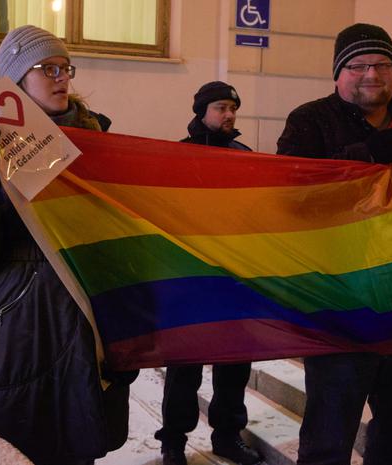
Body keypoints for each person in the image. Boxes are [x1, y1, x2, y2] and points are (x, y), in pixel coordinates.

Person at [277, 23, 392, 465]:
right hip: (339, 311)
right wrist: (361, 158)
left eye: (382, 64)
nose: (371, 74)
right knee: (328, 437)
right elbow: (289, 196)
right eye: (357, 64)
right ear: (338, 73)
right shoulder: (310, 121)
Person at [0, 25, 135, 465]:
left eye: (65, 67)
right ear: (15, 81)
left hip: (81, 318)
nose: (61, 77)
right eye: (46, 68)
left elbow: (114, 243)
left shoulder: (94, 136)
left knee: (78, 445)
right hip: (17, 325)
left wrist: (126, 331)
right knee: (14, 450)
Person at [154, 81, 262, 465]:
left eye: (233, 107)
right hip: (190, 281)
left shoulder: (245, 156)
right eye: (221, 107)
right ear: (202, 111)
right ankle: (174, 443)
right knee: (185, 367)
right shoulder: (177, 157)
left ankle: (227, 436)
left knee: (234, 364)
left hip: (233, 278)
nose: (229, 114)